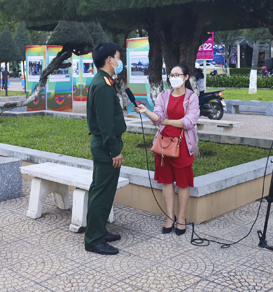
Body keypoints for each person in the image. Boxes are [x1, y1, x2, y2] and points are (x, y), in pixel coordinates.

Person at [136, 64, 200, 235]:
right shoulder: (164, 95)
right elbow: (158, 117)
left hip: (183, 145)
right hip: (164, 144)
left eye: (177, 74)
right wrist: (146, 112)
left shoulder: (192, 98)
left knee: (183, 182)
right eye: (171, 74)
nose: (174, 77)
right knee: (166, 181)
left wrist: (166, 121)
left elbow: (189, 122)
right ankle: (169, 217)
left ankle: (181, 218)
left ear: (186, 77)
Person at [84, 42, 126, 256]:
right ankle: (94, 240)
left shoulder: (105, 81)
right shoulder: (101, 85)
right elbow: (104, 123)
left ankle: (99, 230)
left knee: (103, 191)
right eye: (118, 57)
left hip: (106, 145)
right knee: (101, 194)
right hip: (106, 147)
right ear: (109, 59)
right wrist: (114, 150)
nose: (120, 61)